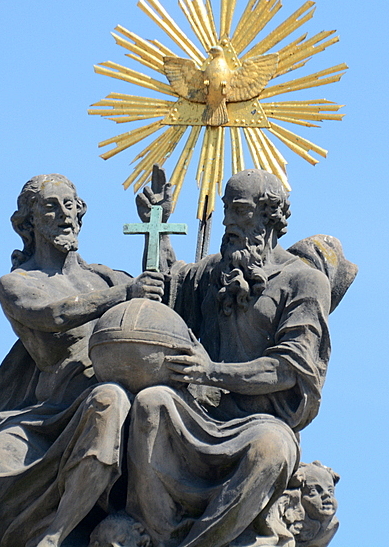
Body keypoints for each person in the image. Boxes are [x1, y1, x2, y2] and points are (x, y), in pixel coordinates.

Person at [124, 169, 337, 547]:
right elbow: (168, 294)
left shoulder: (303, 281)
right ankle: (160, 533)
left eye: (239, 211)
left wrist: (212, 371)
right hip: (199, 413)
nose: (227, 222)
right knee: (151, 404)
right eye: (225, 210)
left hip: (261, 422)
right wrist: (158, 228)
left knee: (271, 449)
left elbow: (289, 368)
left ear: (269, 215)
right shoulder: (212, 272)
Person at [0, 174, 163, 547]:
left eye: (70, 206)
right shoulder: (18, 283)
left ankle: (56, 534)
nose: (64, 215)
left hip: (115, 391)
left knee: (109, 398)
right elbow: (53, 315)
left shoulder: (107, 278)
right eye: (51, 207)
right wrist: (125, 294)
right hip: (56, 407)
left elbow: (164, 302)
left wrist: (161, 231)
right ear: (28, 223)